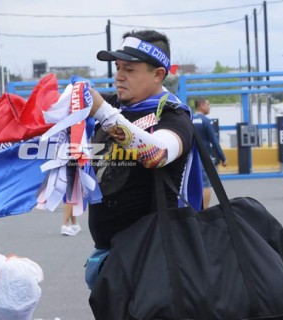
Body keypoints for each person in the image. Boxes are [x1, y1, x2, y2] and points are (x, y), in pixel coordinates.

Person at [84, 29, 198, 288]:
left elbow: (157, 154)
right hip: (108, 256)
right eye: (118, 67)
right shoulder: (115, 107)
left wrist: (103, 112)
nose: (119, 76)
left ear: (158, 74)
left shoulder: (173, 116)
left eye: (130, 69)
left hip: (153, 260)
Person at [192, 98, 227, 209]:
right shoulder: (207, 121)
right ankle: (205, 209)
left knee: (194, 183)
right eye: (208, 104)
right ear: (201, 105)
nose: (209, 107)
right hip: (204, 156)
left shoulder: (188, 119)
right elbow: (214, 141)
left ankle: (194, 208)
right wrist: (222, 157)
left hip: (190, 157)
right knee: (206, 183)